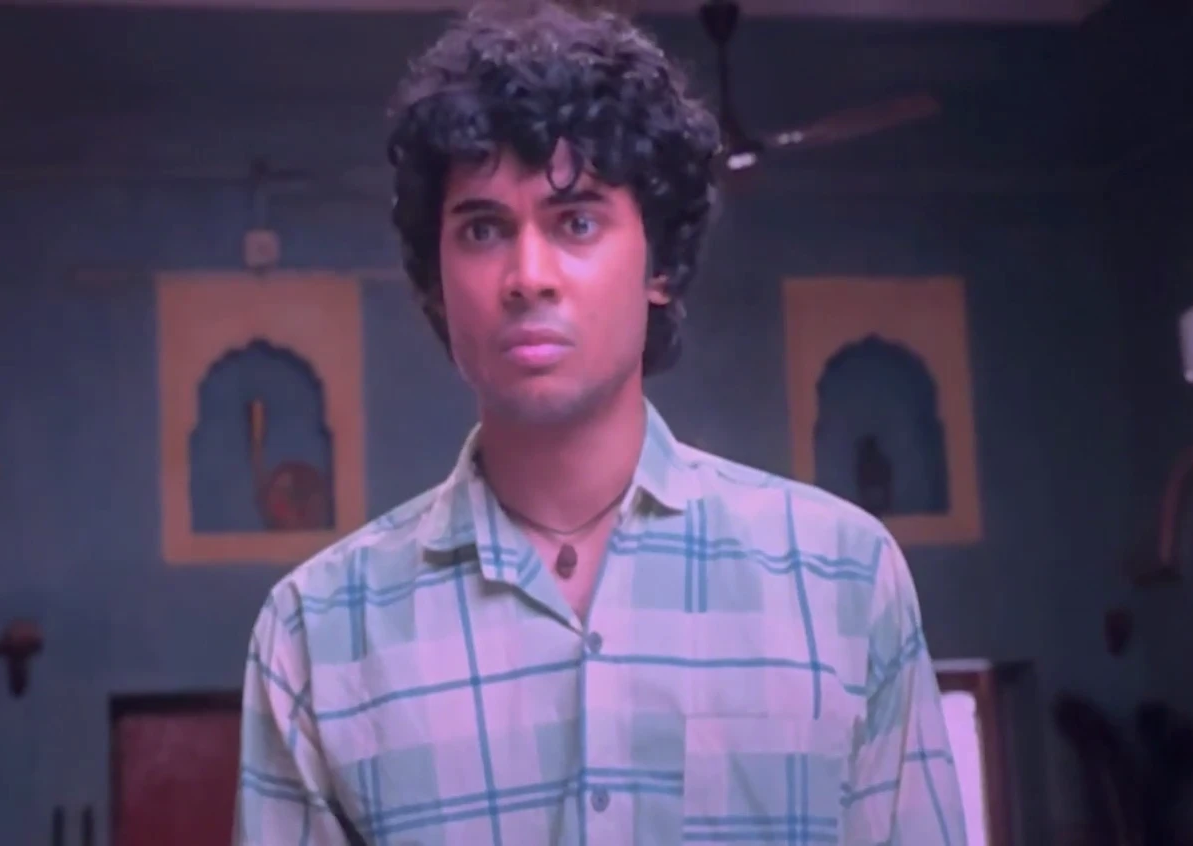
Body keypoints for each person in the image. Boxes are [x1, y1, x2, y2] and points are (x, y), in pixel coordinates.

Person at [237, 4, 966, 844]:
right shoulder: (317, 633)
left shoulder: (842, 578)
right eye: (483, 229)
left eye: (576, 221)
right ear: (437, 278)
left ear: (659, 265)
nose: (528, 276)